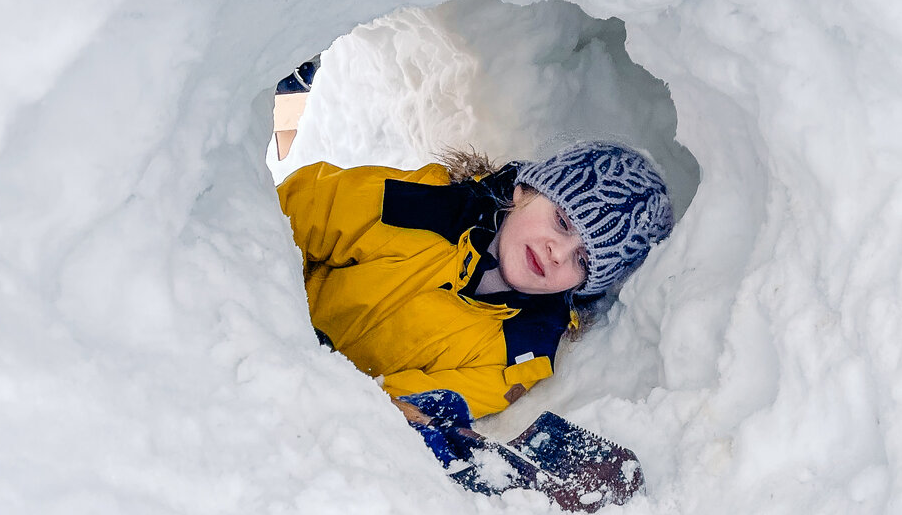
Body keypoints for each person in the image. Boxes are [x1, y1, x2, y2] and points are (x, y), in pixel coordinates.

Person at [277, 140, 674, 420]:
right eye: (562, 222)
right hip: (259, 319)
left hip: (312, 411)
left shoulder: (521, 353)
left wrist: (327, 385)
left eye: (583, 261)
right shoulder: (420, 205)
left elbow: (415, 405)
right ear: (524, 191)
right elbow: (288, 215)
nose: (557, 252)